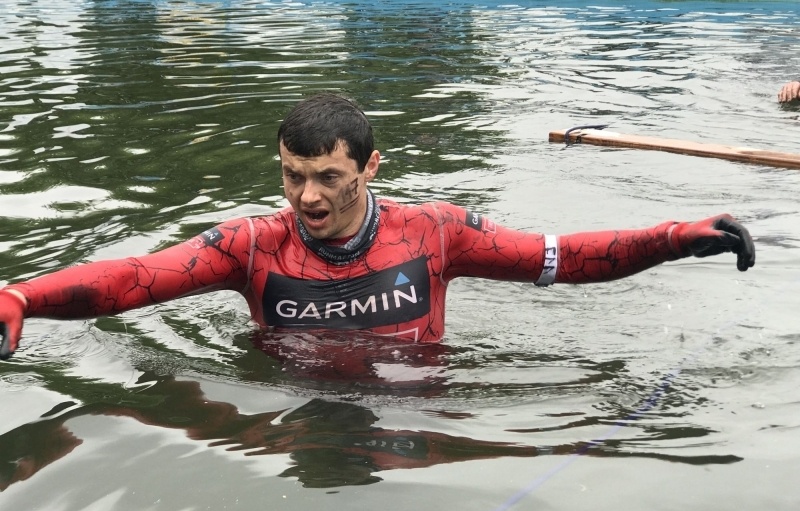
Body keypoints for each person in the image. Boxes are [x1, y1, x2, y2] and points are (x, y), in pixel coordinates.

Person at [0, 93, 756, 359]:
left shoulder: (436, 232)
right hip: (298, 409)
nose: (306, 197)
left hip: (416, 406)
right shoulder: (252, 245)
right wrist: (24, 296)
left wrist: (669, 239)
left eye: (328, 177)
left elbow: (557, 258)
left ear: (370, 168)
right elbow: (133, 278)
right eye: (291, 176)